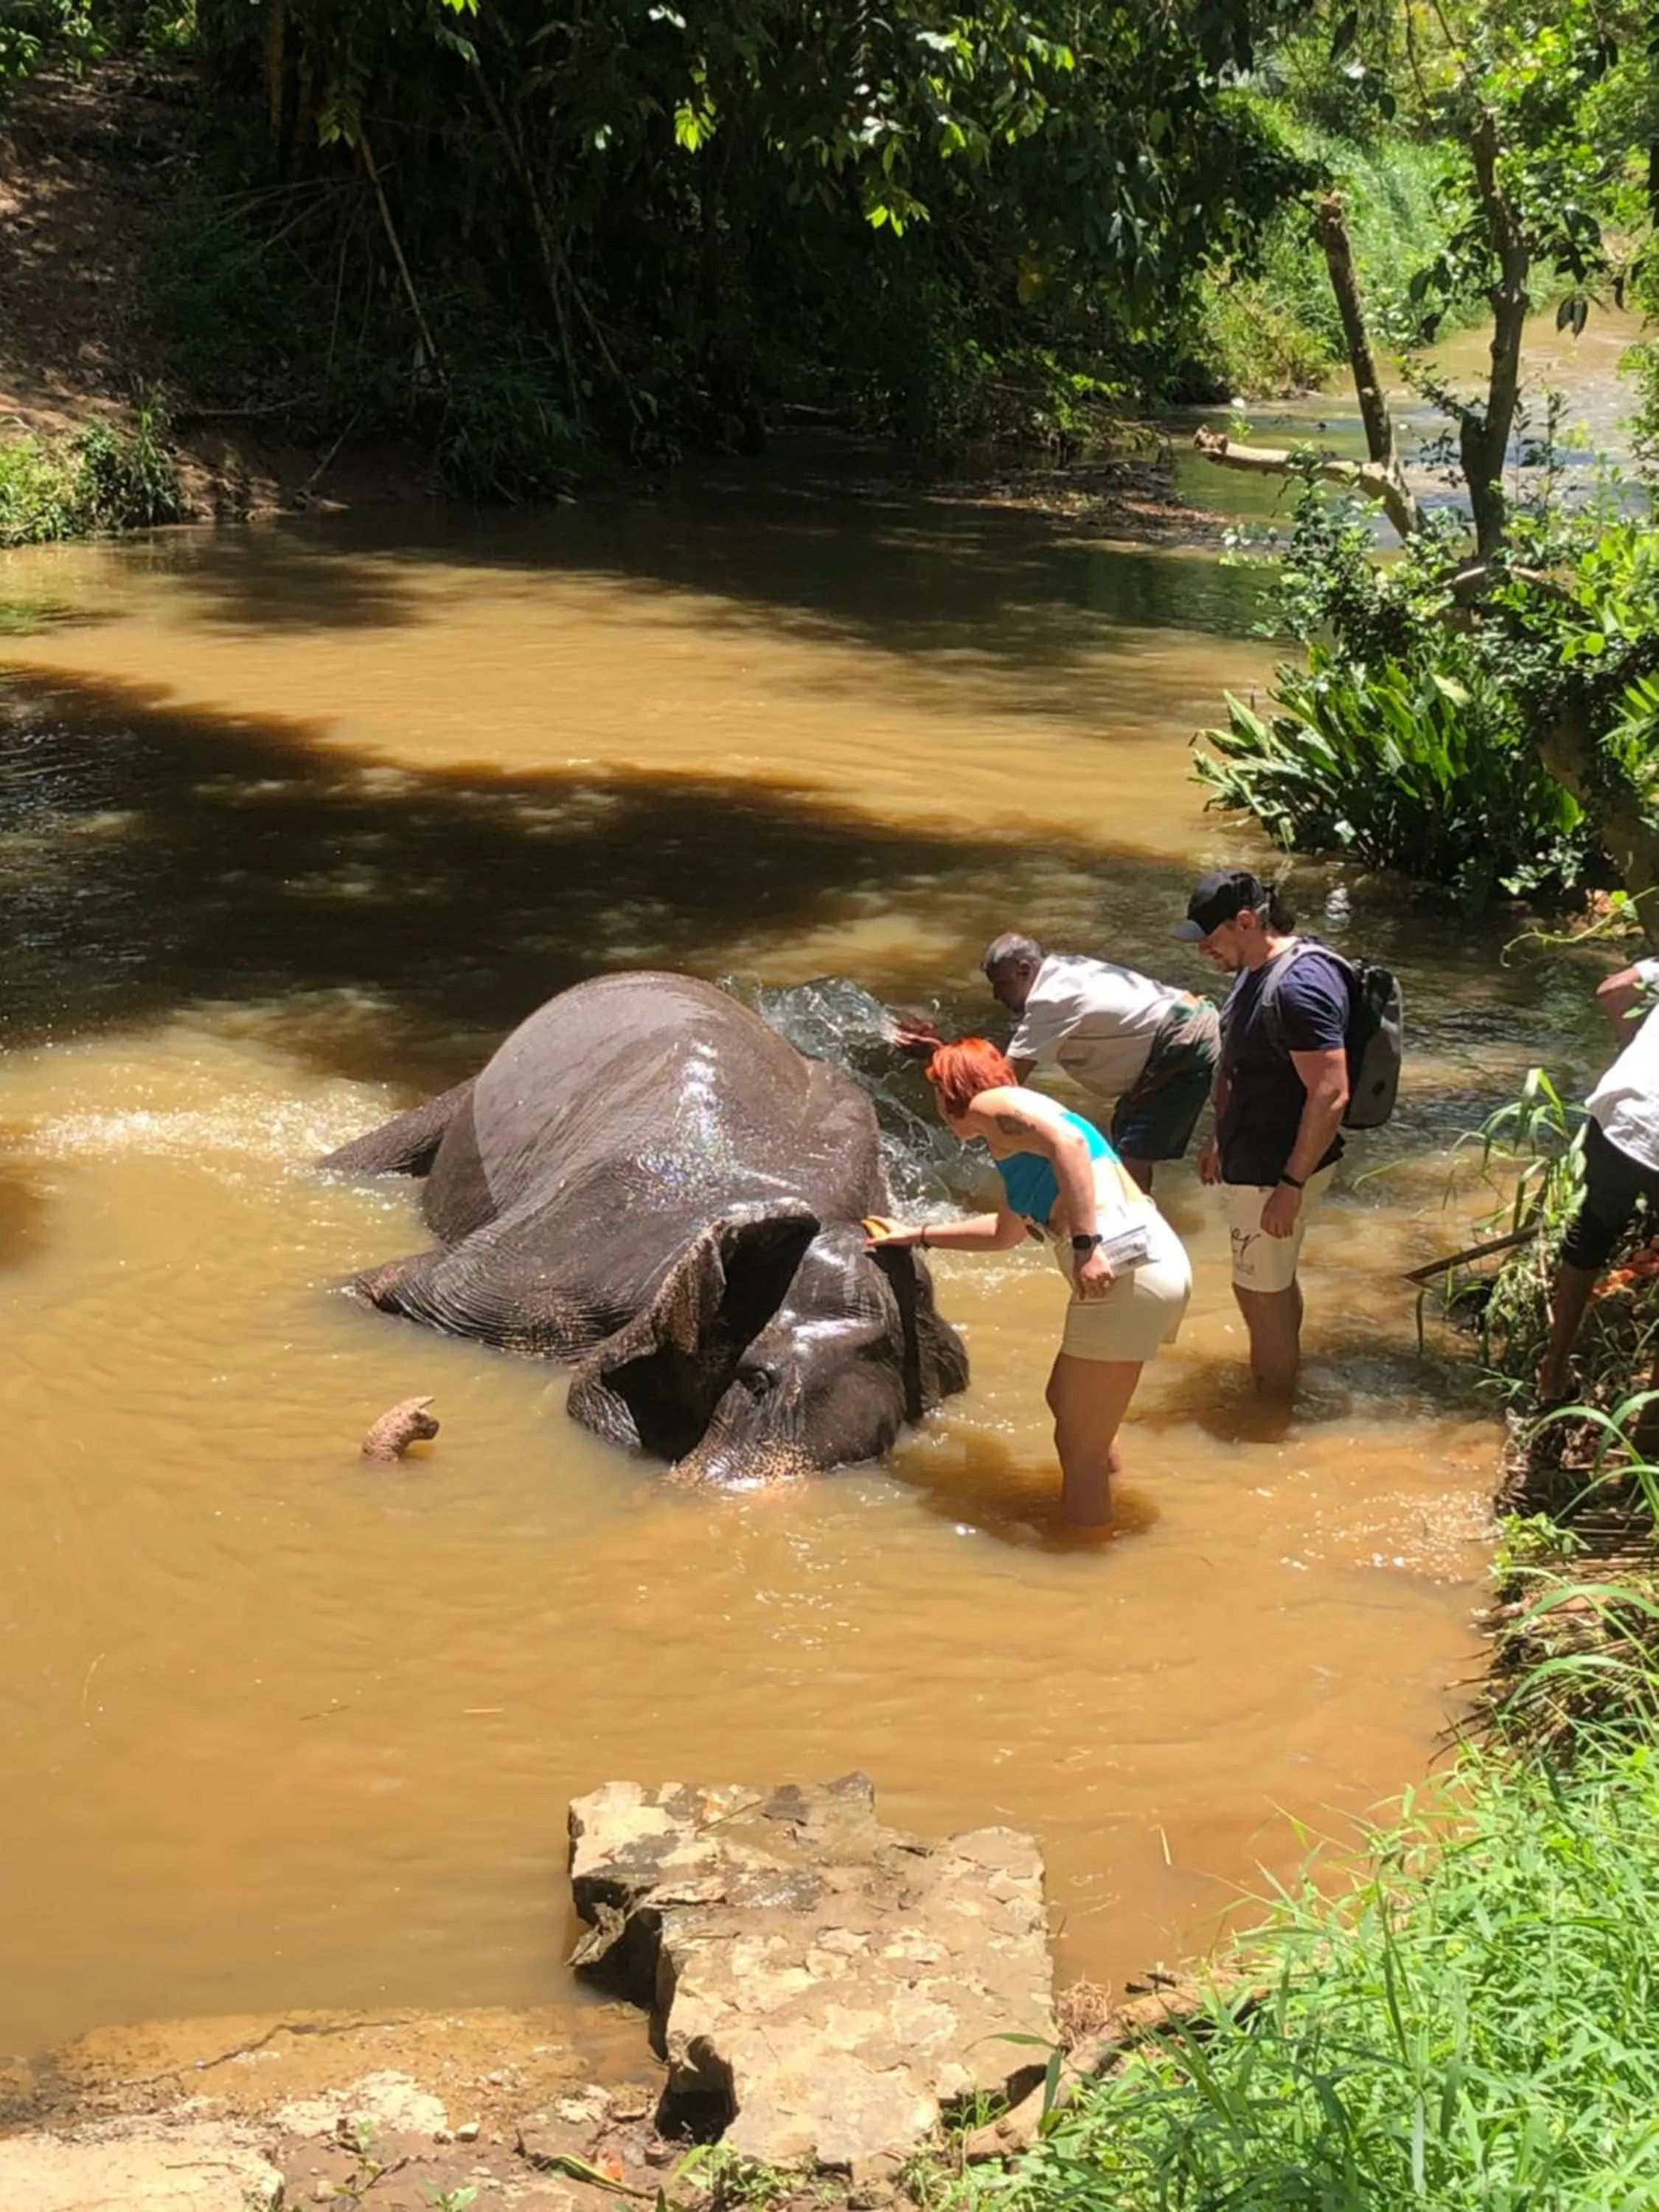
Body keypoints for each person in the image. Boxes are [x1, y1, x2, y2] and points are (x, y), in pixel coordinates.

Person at [865, 1036, 1192, 1526]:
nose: (939, 1109)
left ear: (955, 1088)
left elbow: (1072, 1145)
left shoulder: (990, 1105)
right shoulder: (1013, 1145)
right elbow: (1002, 1235)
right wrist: (916, 1235)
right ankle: (1105, 1503)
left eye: (937, 1094)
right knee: (1067, 1405)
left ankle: (1086, 1567)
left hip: (1122, 1269)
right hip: (1149, 1265)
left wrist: (1085, 1245)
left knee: (1076, 1447)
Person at [1171, 869, 1349, 1397]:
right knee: (1272, 1281)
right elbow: (1242, 1065)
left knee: (1258, 1292)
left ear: (1246, 921)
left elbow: (1331, 1092)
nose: (1203, 949)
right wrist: (1220, 1138)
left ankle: (1270, 1414)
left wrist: (1289, 1188)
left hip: (1278, 1170)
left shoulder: (1299, 985)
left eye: (1210, 937)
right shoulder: (1256, 968)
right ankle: (1285, 1379)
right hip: (1259, 1158)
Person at [1538, 956, 1659, 1402]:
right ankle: (1652, 1420)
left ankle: (1553, 1368)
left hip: (1620, 1113)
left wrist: (1638, 1048)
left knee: (1591, 1231)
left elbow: (1613, 990)